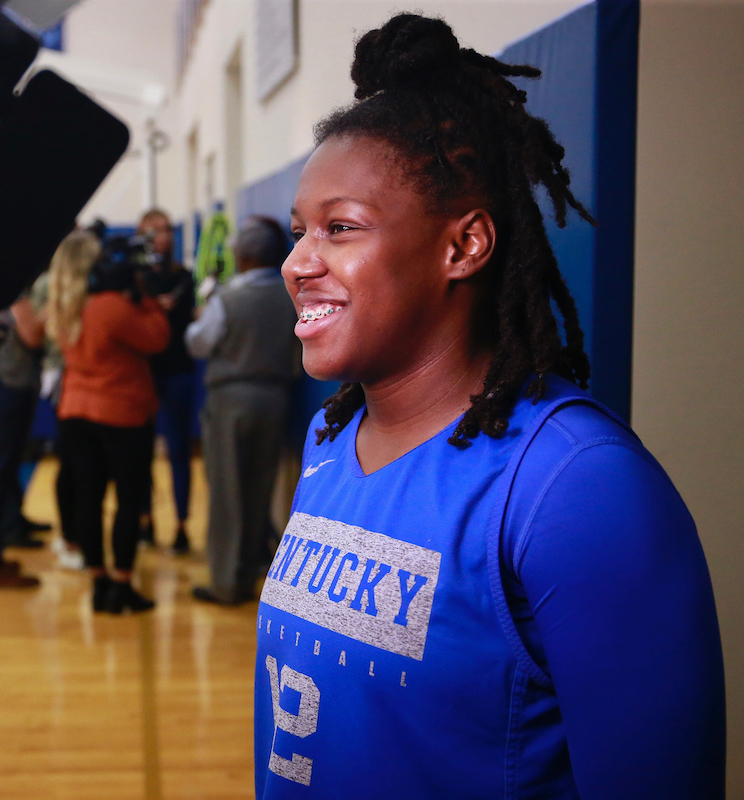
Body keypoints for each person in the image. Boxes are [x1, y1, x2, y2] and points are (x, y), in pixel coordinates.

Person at [255, 15, 724, 799]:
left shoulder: (578, 487)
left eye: (340, 228)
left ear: (463, 245)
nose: (300, 262)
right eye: (301, 232)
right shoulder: (329, 435)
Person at [51, 231, 169, 613]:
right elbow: (157, 338)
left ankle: (98, 583)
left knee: (89, 498)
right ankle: (121, 583)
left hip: (76, 410)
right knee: (129, 500)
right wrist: (147, 297)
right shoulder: (109, 305)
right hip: (120, 413)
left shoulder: (64, 306)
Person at [185, 217, 298, 605]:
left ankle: (226, 582)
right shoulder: (291, 297)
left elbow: (198, 344)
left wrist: (199, 317)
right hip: (276, 398)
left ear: (244, 256)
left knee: (227, 491)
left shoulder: (227, 299)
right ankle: (252, 573)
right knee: (259, 488)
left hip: (231, 398)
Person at [0, 292, 47, 589]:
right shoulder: (13, 292)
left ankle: (7, 533)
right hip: (8, 384)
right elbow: (32, 336)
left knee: (4, 466)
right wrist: (49, 312)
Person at [137, 209, 196, 553]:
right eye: (156, 230)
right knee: (141, 452)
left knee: (178, 452)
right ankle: (145, 521)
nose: (164, 235)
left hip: (179, 374)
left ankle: (182, 525)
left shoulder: (183, 277)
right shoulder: (136, 279)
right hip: (144, 376)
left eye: (167, 229)